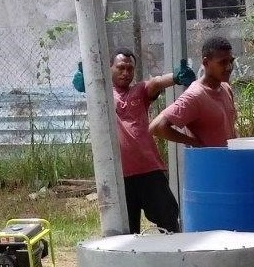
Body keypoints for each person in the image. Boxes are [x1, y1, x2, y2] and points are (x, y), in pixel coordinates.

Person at [73, 49, 196, 234]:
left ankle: (175, 258)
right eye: (121, 68)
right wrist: (88, 81)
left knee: (168, 219)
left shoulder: (139, 91)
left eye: (130, 69)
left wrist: (176, 77)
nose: (126, 73)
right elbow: (88, 87)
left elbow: (155, 83)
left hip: (149, 170)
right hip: (118, 175)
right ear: (109, 68)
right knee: (126, 231)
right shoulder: (101, 94)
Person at [149, 36, 237, 148]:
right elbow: (157, 127)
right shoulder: (196, 95)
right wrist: (195, 143)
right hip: (206, 163)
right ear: (206, 63)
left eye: (231, 61)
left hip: (228, 162)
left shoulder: (225, 88)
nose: (229, 67)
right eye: (223, 62)